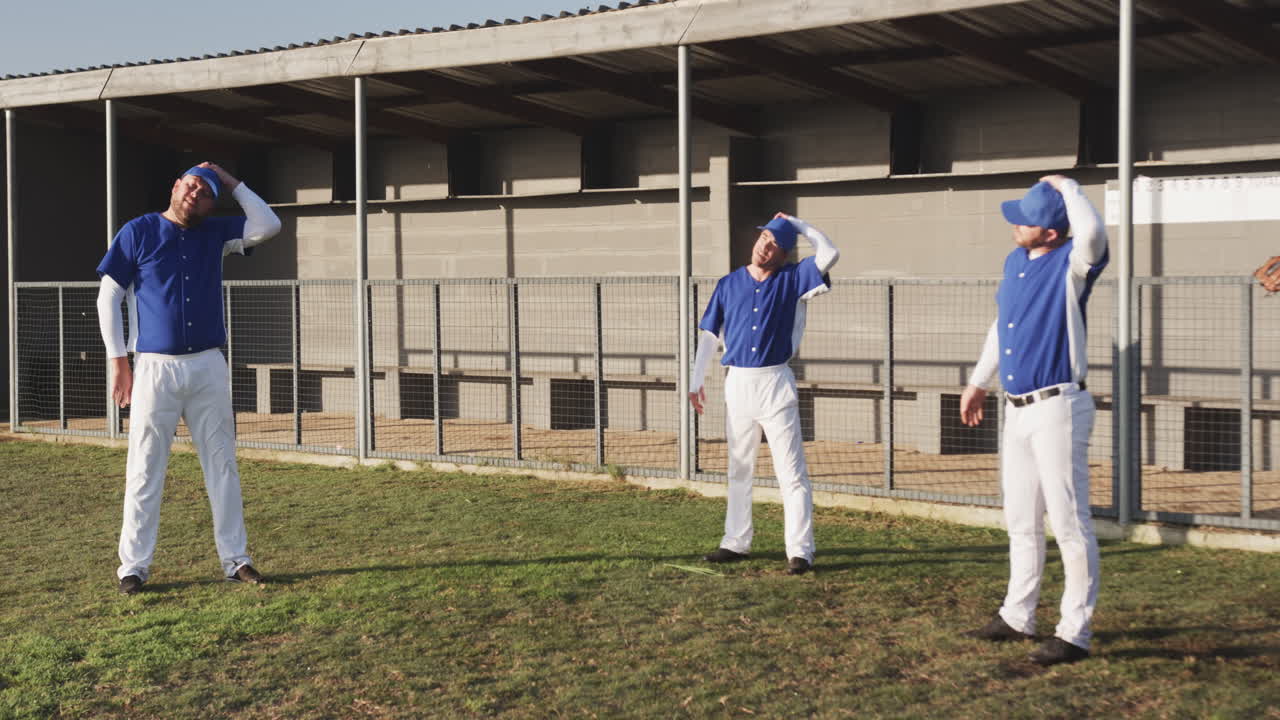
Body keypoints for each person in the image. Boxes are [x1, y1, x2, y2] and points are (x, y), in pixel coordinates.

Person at [96, 162, 282, 595]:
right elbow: (109, 297)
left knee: (222, 463)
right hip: (154, 367)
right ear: (175, 185)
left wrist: (233, 182)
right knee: (144, 467)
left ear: (212, 203)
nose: (195, 193)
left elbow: (268, 225)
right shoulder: (139, 230)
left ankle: (236, 560)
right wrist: (118, 361)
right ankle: (133, 567)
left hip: (208, 365)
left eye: (205, 191)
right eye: (191, 184)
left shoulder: (217, 232)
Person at [959, 175, 1108, 666]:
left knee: (1069, 522)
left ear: (1048, 231)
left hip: (1058, 407)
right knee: (1020, 519)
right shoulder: (1015, 262)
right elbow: (1000, 326)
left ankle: (1074, 632)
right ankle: (1017, 614)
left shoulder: (1071, 263)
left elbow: (1091, 235)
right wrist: (979, 381)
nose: (1014, 223)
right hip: (1016, 406)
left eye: (1024, 218)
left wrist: (1069, 189)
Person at [690, 212, 839, 575]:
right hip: (738, 382)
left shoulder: (794, 278)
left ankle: (800, 551)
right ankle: (735, 543)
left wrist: (798, 225)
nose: (765, 246)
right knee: (739, 469)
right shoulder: (728, 283)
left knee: (791, 472)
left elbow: (830, 253)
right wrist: (695, 380)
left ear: (784, 254)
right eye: (763, 238)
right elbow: (710, 334)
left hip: (775, 383)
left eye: (774, 244)